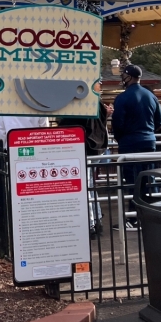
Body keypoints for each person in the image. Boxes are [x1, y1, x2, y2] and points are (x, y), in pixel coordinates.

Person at [112, 64, 161, 227]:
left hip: (129, 143)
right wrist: (148, 132)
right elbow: (159, 121)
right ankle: (151, 216)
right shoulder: (150, 96)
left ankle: (133, 218)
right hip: (149, 141)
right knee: (148, 178)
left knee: (131, 181)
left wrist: (122, 138)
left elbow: (117, 124)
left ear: (128, 76)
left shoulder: (122, 97)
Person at [60, 84, 110, 237]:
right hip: (98, 147)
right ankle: (97, 219)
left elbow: (67, 124)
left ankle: (90, 224)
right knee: (90, 185)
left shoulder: (76, 104)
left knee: (84, 188)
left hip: (84, 148)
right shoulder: (98, 102)